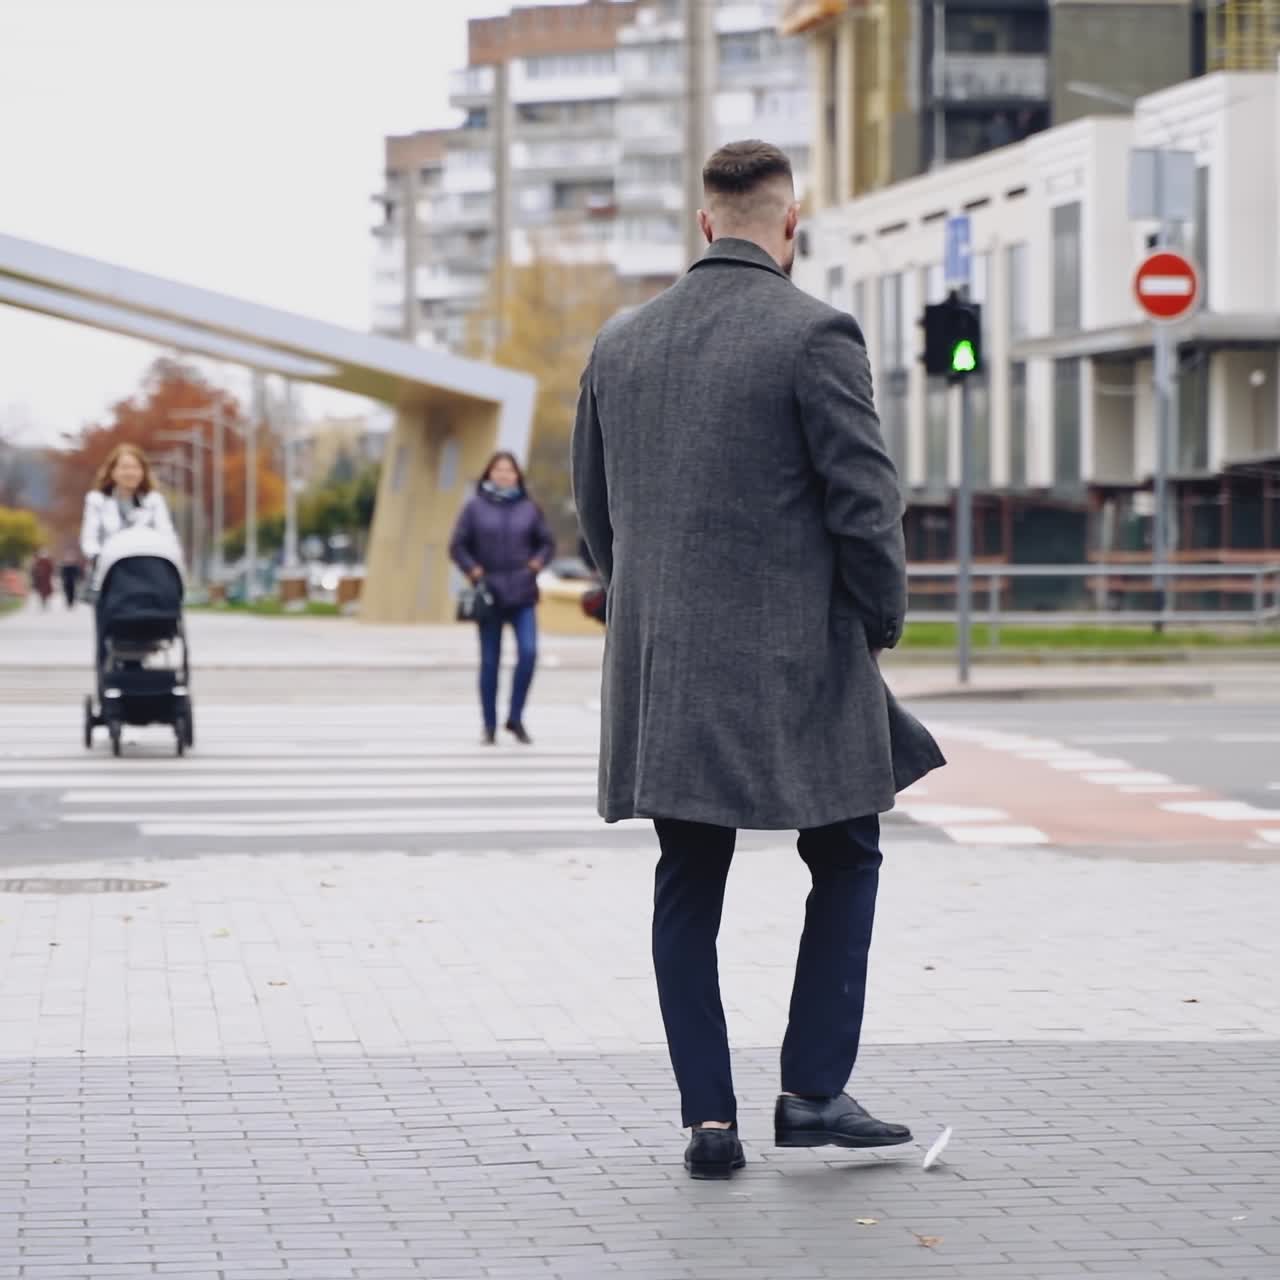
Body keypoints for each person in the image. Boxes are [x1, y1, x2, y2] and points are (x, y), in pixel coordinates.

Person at [572, 140, 945, 1180]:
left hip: (665, 666)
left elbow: (596, 517)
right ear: (790, 226)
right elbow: (864, 505)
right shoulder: (815, 331)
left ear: (703, 224)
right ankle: (812, 1089)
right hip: (794, 661)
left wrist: (653, 603)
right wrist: (879, 616)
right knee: (847, 849)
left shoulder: (619, 342)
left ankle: (707, 1120)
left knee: (687, 877)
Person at [448, 452, 555, 745]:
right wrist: (473, 571)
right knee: (490, 662)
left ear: (517, 475)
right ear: (489, 474)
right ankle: (489, 725)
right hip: (490, 594)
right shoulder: (474, 508)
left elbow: (546, 543)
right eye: (498, 469)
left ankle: (516, 717)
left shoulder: (530, 508)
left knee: (529, 652)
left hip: (522, 592)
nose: (504, 474)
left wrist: (535, 565)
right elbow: (457, 545)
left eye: (509, 470)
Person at [80, 443, 177, 664]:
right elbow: (90, 537)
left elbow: (166, 533)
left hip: (147, 573)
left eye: (135, 467)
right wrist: (96, 555)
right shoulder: (97, 501)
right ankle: (107, 681)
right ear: (112, 471)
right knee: (106, 633)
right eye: (124, 467)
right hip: (110, 574)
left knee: (146, 629)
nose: (129, 472)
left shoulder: (153, 501)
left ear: (143, 471)